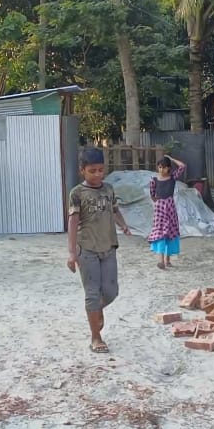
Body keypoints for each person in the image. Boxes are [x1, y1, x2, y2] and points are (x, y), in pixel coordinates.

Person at [67, 148, 131, 353]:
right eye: (92, 170)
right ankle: (96, 337)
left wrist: (123, 225)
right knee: (92, 294)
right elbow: (73, 222)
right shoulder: (77, 194)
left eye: (101, 170)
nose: (97, 174)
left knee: (111, 292)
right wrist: (71, 253)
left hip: (109, 248)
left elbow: (115, 210)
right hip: (87, 250)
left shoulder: (109, 189)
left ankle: (97, 311)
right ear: (82, 171)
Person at [148, 155, 186, 269]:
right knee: (160, 233)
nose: (161, 170)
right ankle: (161, 261)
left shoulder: (172, 178)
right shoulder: (154, 180)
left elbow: (183, 166)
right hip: (159, 210)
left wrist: (172, 159)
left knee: (170, 232)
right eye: (159, 167)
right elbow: (152, 195)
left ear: (169, 168)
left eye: (164, 167)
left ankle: (167, 260)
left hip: (170, 209)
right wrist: (159, 203)